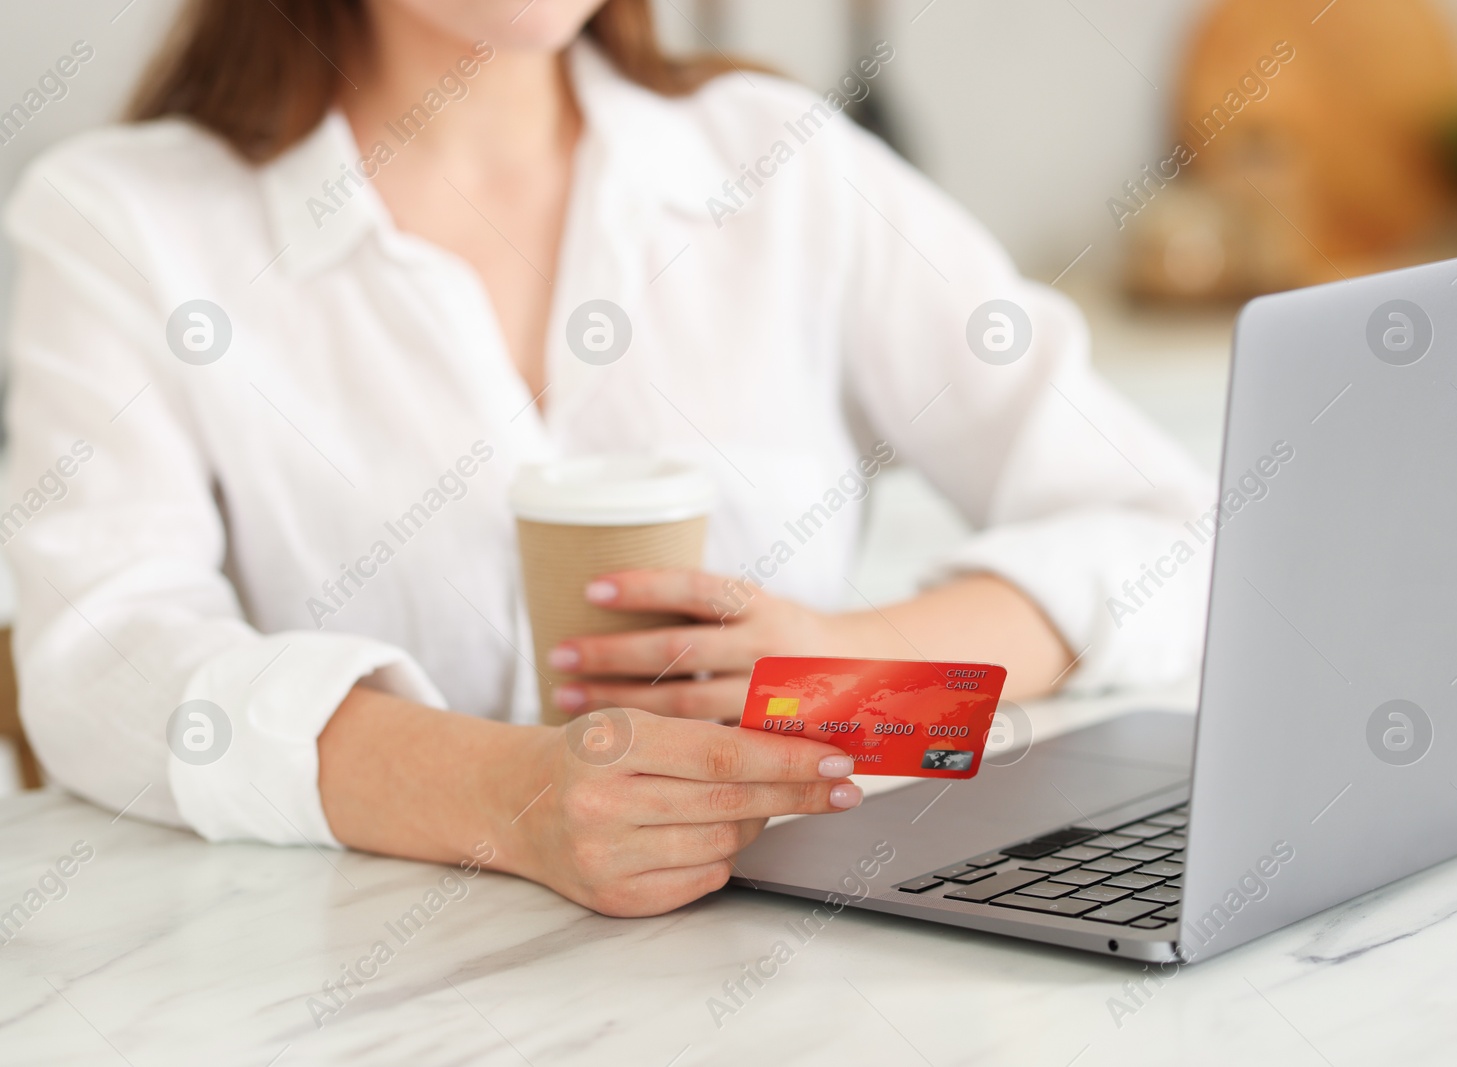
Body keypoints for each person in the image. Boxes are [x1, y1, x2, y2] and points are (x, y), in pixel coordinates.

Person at [2, 0, 1211, 917]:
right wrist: (507, 797)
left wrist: (868, 669)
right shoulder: (116, 222)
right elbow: (99, 663)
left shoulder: (780, 159)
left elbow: (1181, 531)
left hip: (817, 953)